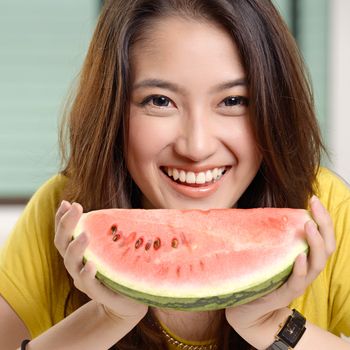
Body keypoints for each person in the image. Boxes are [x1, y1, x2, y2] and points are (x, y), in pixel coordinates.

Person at [0, 0, 349, 349]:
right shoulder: (65, 213)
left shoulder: (324, 208)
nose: (196, 147)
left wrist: (273, 327)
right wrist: (104, 318)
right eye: (160, 101)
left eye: (233, 101)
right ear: (114, 111)